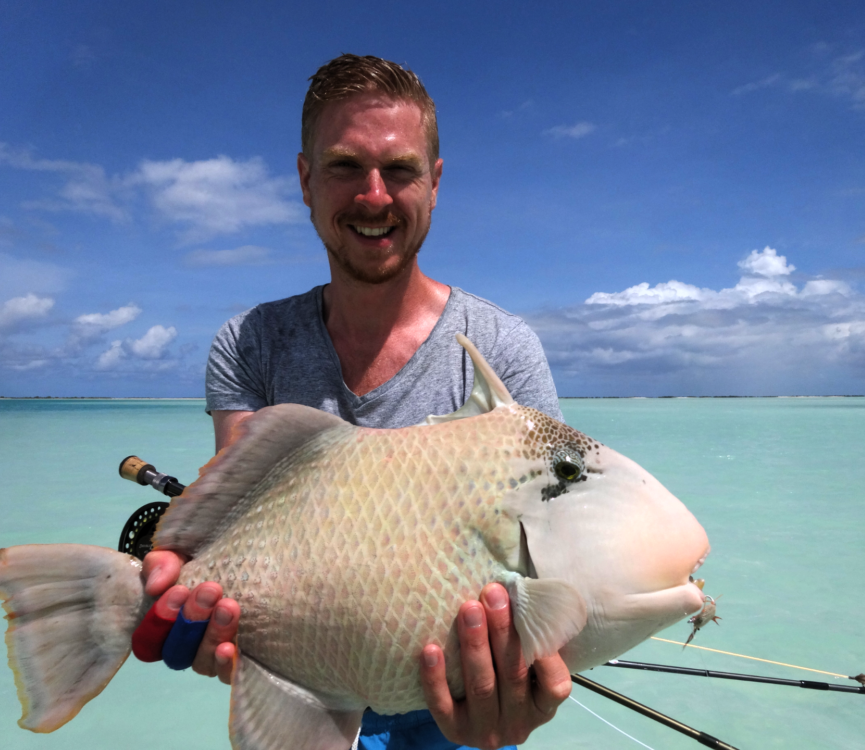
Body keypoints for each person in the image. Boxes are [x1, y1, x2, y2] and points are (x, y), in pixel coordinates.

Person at [136, 54, 571, 750]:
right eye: (345, 166)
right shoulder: (250, 344)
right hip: (306, 688)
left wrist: (537, 680)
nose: (374, 196)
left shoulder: (504, 349)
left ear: (435, 182)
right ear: (306, 181)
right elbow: (237, 522)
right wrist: (192, 592)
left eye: (400, 169)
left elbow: (549, 552)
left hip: (460, 705)